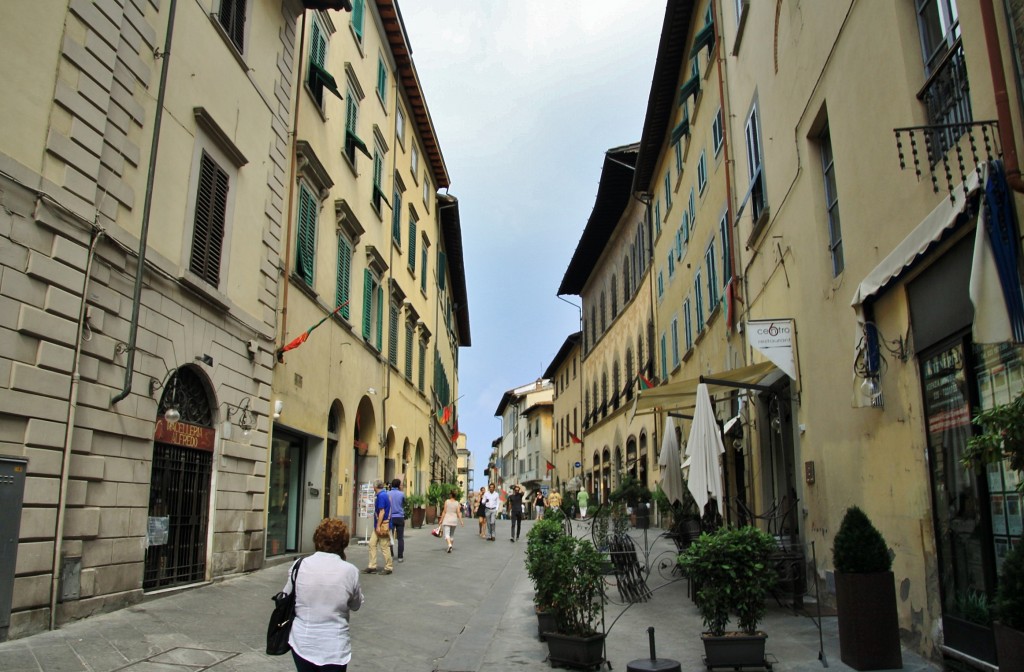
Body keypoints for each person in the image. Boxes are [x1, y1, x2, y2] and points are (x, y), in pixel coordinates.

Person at [285, 518, 364, 671]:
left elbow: (285, 595)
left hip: (302, 643)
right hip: (334, 647)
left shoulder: (299, 565)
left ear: (317, 539)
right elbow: (356, 605)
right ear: (343, 543)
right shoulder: (350, 571)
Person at [365, 480, 392, 575]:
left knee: (384, 546)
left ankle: (389, 567)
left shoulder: (381, 496)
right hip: (380, 525)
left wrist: (378, 526)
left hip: (381, 525)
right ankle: (372, 566)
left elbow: (382, 512)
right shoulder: (385, 494)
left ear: (375, 487)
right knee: (372, 544)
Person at [440, 488, 464, 553]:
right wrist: (461, 521)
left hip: (447, 519)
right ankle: (450, 547)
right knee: (452, 535)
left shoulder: (447, 501)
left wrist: (441, 520)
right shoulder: (457, 503)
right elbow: (458, 512)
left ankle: (449, 545)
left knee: (447, 534)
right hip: (454, 520)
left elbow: (444, 511)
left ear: (450, 495)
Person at [388, 479, 405, 564]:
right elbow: (404, 503)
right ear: (399, 485)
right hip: (400, 517)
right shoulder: (401, 494)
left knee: (390, 537)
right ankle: (400, 556)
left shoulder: (388, 493)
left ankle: (391, 554)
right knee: (400, 538)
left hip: (390, 517)